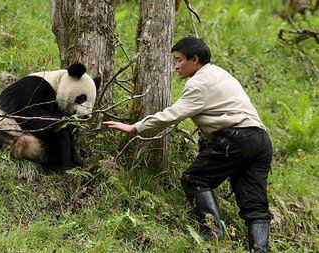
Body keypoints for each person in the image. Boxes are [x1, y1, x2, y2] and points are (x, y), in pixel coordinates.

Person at [103, 37, 272, 252]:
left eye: (180, 60)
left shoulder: (198, 83)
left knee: (195, 179)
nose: (176, 65)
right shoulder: (219, 73)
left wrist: (135, 127)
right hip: (260, 140)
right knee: (254, 205)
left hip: (237, 139)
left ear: (195, 59)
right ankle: (260, 249)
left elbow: (173, 115)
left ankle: (215, 236)